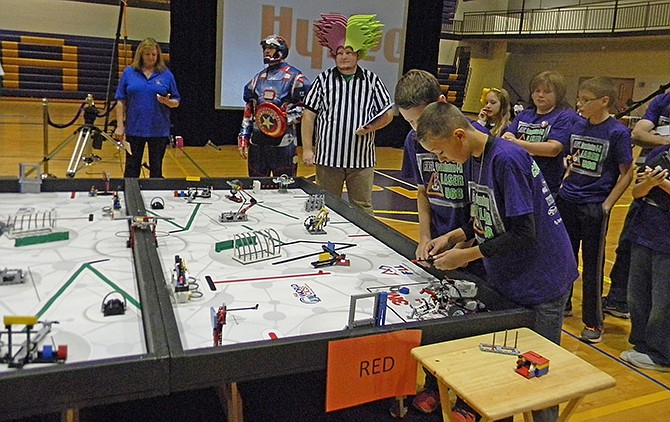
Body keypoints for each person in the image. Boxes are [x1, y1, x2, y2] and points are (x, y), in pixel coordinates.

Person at [416, 101, 578, 422]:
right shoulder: (474, 158)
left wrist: (466, 254)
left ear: (459, 136)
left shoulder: (506, 159)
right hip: (509, 279)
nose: (440, 159)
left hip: (540, 282)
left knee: (537, 377)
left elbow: (522, 233)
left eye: (440, 151)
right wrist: (453, 237)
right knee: (506, 370)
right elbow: (491, 216)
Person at [394, 69, 485, 415]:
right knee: (437, 315)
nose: (417, 133)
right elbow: (421, 191)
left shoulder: (473, 141)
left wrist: (464, 245)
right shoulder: (412, 141)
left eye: (421, 123)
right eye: (410, 125)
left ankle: (468, 397)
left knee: (470, 321)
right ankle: (435, 386)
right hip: (442, 239)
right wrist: (424, 236)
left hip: (474, 239)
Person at [556, 77, 633, 343]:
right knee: (565, 257)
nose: (580, 104)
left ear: (604, 101)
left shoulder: (617, 132)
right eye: (580, 98)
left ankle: (592, 321)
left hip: (593, 205)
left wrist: (607, 204)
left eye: (586, 99)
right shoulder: (577, 124)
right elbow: (570, 156)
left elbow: (626, 173)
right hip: (568, 199)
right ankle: (563, 304)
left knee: (592, 265)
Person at [302, 13, 394, 215]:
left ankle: (363, 244)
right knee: (325, 205)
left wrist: (372, 127)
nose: (344, 56)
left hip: (361, 160)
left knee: (362, 207)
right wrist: (308, 149)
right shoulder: (323, 80)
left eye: (349, 52)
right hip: (328, 159)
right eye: (340, 52)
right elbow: (309, 115)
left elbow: (388, 113)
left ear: (358, 55)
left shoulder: (371, 80)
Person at [603, 89, 670, 319]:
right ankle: (618, 300)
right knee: (628, 245)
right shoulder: (663, 100)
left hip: (663, 197)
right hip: (645, 187)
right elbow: (639, 134)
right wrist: (666, 141)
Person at [620, 147, 670, 372]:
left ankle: (662, 355)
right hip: (644, 231)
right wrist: (649, 183)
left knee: (663, 301)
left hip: (666, 240)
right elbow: (637, 192)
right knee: (637, 294)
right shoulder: (660, 153)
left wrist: (659, 183)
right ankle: (642, 344)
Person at [237, 35, 310, 177]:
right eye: (265, 48)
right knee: (256, 187)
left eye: (270, 48)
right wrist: (243, 136)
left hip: (283, 143)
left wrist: (284, 118)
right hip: (258, 143)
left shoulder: (296, 78)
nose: (266, 51)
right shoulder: (257, 79)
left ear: (281, 50)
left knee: (284, 189)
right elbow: (249, 111)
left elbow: (306, 108)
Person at [502, 71, 577, 195]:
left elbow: (553, 149)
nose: (540, 95)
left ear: (558, 95)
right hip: (518, 180)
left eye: (547, 92)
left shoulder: (563, 116)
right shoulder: (524, 115)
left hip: (545, 184)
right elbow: (507, 137)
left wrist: (517, 143)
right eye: (537, 91)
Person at [114, 37, 180, 178]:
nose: (151, 58)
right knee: (131, 169)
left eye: (154, 55)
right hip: (134, 128)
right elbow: (120, 101)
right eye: (147, 54)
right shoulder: (129, 73)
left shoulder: (166, 75)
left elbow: (176, 101)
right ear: (141, 55)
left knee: (156, 169)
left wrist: (168, 102)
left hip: (158, 130)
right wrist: (120, 125)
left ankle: (155, 198)